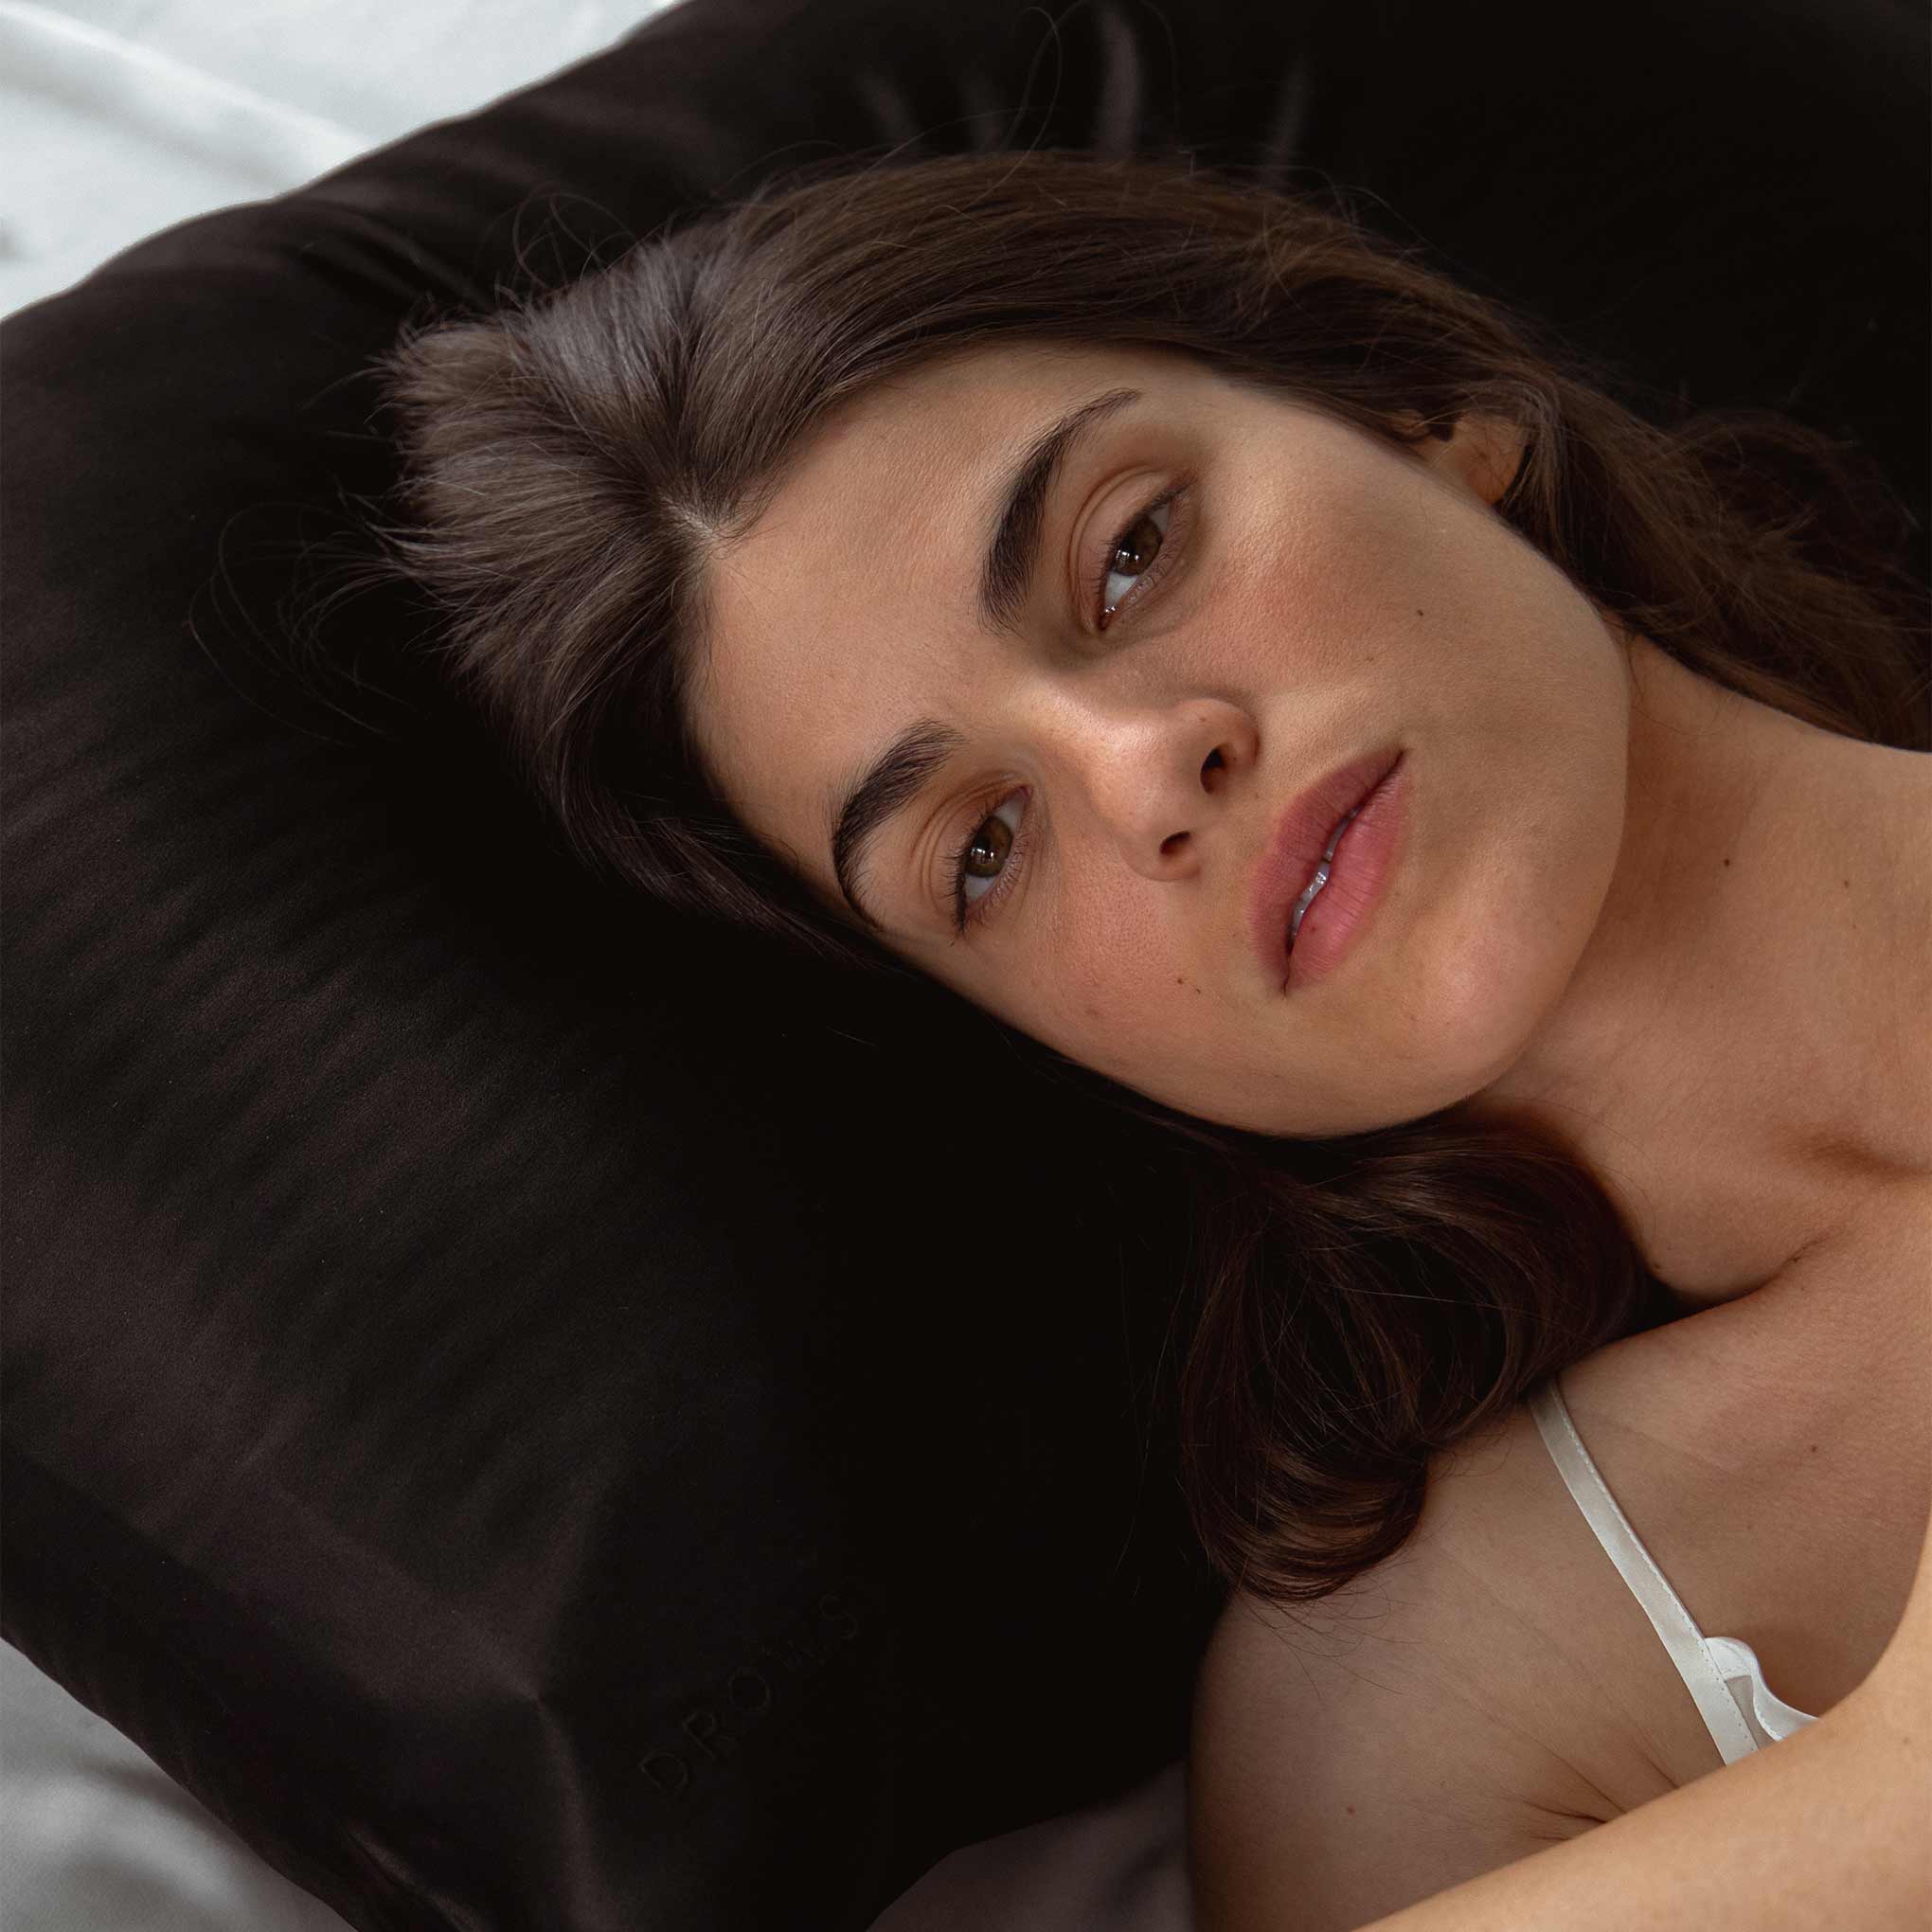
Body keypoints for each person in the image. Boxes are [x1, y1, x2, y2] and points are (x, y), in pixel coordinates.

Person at [368, 147, 1930, 1927]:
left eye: (1126, 556)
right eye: (981, 849)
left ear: (1421, 410)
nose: (1144, 772)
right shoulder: (1434, 1723)